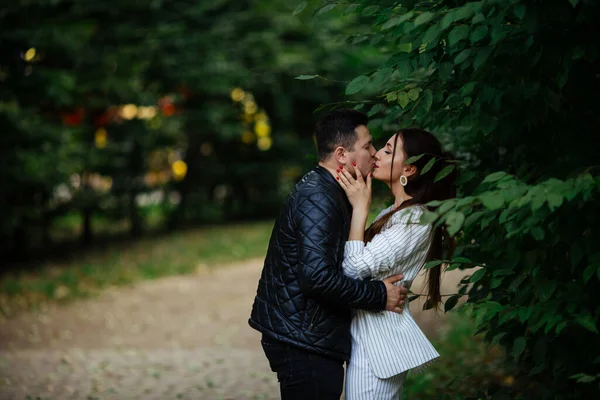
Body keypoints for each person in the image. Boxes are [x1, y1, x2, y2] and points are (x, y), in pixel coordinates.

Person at [248, 109, 409, 399]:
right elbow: (317, 278)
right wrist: (379, 295)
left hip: (305, 334)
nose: (374, 153)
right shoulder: (320, 198)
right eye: (367, 146)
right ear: (341, 154)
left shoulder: (331, 190)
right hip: (303, 340)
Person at [336, 128, 457, 399]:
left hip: (379, 344)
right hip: (368, 335)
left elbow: (354, 268)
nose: (376, 154)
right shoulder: (393, 213)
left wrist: (360, 209)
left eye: (389, 151)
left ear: (410, 169)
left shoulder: (414, 220)